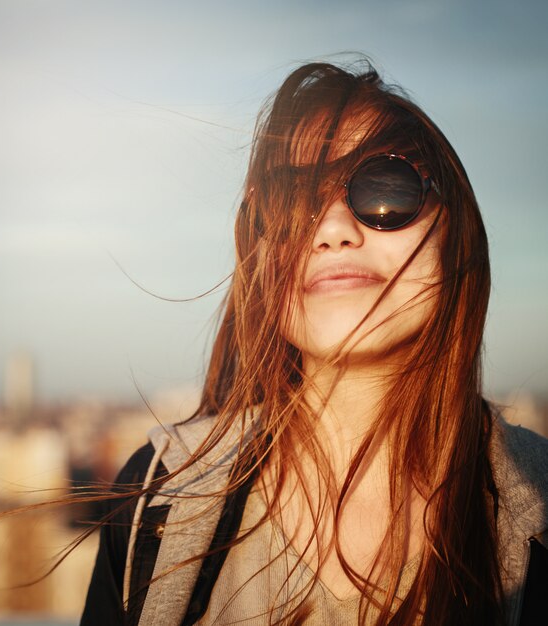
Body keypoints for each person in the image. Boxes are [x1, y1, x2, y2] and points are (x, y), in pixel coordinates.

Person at [80, 61, 548, 625]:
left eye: (384, 189)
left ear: (456, 232)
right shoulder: (157, 497)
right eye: (286, 205)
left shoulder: (538, 505)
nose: (330, 228)